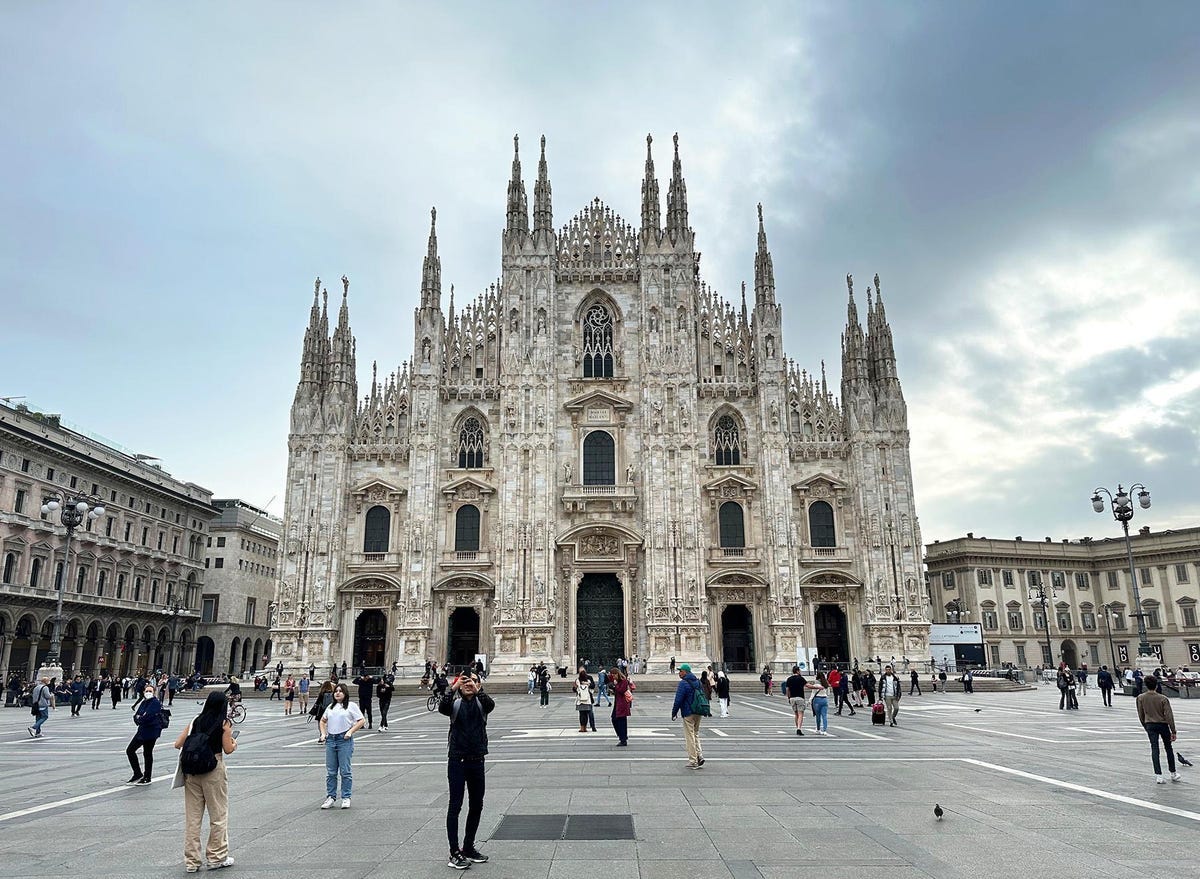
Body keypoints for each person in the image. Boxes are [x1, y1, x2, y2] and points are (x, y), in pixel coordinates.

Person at [174, 690, 237, 873]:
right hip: (213, 771)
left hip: (192, 772)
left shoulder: (196, 720)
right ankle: (216, 857)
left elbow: (178, 744)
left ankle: (192, 862)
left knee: (193, 818)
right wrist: (233, 742)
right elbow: (228, 749)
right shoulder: (224, 723)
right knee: (218, 815)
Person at [440, 671, 494, 870]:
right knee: (455, 805)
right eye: (465, 682)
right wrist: (452, 688)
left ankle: (468, 846)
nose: (468, 684)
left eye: (471, 681)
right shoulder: (454, 704)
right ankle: (454, 852)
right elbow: (442, 707)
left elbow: (490, 704)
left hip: (477, 760)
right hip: (457, 760)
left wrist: (477, 688)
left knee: (477, 805)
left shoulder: (482, 704)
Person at [318, 682, 365, 809]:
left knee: (345, 771)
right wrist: (323, 734)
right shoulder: (330, 707)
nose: (337, 693)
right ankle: (331, 797)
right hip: (331, 740)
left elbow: (361, 720)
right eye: (336, 691)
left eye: (340, 691)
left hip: (344, 739)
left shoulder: (351, 706)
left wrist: (350, 731)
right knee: (331, 772)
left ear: (345, 693)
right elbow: (322, 720)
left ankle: (346, 797)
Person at [1137, 675, 1182, 784]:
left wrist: (1145, 726)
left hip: (1150, 724)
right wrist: (1173, 730)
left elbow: (1140, 714)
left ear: (1146, 685)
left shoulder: (1141, 698)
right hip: (1162, 725)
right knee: (1168, 748)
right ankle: (1173, 773)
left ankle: (1159, 776)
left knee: (1154, 748)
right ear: (1156, 685)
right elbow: (1169, 715)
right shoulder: (1163, 698)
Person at [126, 681, 163, 784]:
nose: (148, 692)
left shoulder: (155, 703)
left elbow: (148, 717)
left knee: (147, 753)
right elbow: (137, 715)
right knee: (130, 750)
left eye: (150, 691)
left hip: (151, 731)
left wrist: (141, 718)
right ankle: (137, 773)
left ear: (154, 692)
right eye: (146, 691)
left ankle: (147, 776)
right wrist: (140, 718)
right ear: (143, 692)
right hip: (142, 731)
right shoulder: (144, 702)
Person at [670, 663, 705, 769]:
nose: (679, 673)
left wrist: (674, 712)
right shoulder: (698, 681)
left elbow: (678, 699)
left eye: (680, 671)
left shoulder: (683, 683)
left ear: (685, 672)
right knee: (695, 734)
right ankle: (699, 755)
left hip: (688, 712)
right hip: (698, 711)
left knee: (689, 736)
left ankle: (693, 760)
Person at [611, 667, 634, 745]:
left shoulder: (624, 681)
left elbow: (622, 690)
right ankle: (622, 736)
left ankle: (623, 739)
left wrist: (615, 685)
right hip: (617, 703)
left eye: (614, 675)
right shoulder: (618, 681)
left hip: (622, 704)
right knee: (614, 719)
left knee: (622, 721)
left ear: (617, 674)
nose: (613, 677)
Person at [784, 666, 808, 735]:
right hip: (800, 697)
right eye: (799, 670)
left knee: (796, 714)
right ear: (797, 671)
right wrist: (817, 687)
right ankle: (799, 728)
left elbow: (787, 690)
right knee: (800, 714)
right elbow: (808, 685)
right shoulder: (801, 678)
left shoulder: (789, 679)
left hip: (792, 698)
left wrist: (789, 698)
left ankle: (797, 727)